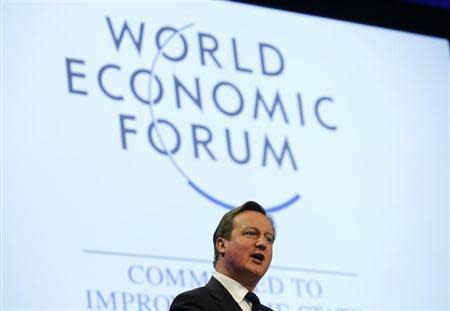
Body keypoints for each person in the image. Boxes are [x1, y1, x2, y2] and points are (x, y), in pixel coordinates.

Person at [170, 201, 275, 311]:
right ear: (222, 245)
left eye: (269, 239)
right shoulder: (191, 303)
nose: (262, 243)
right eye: (251, 233)